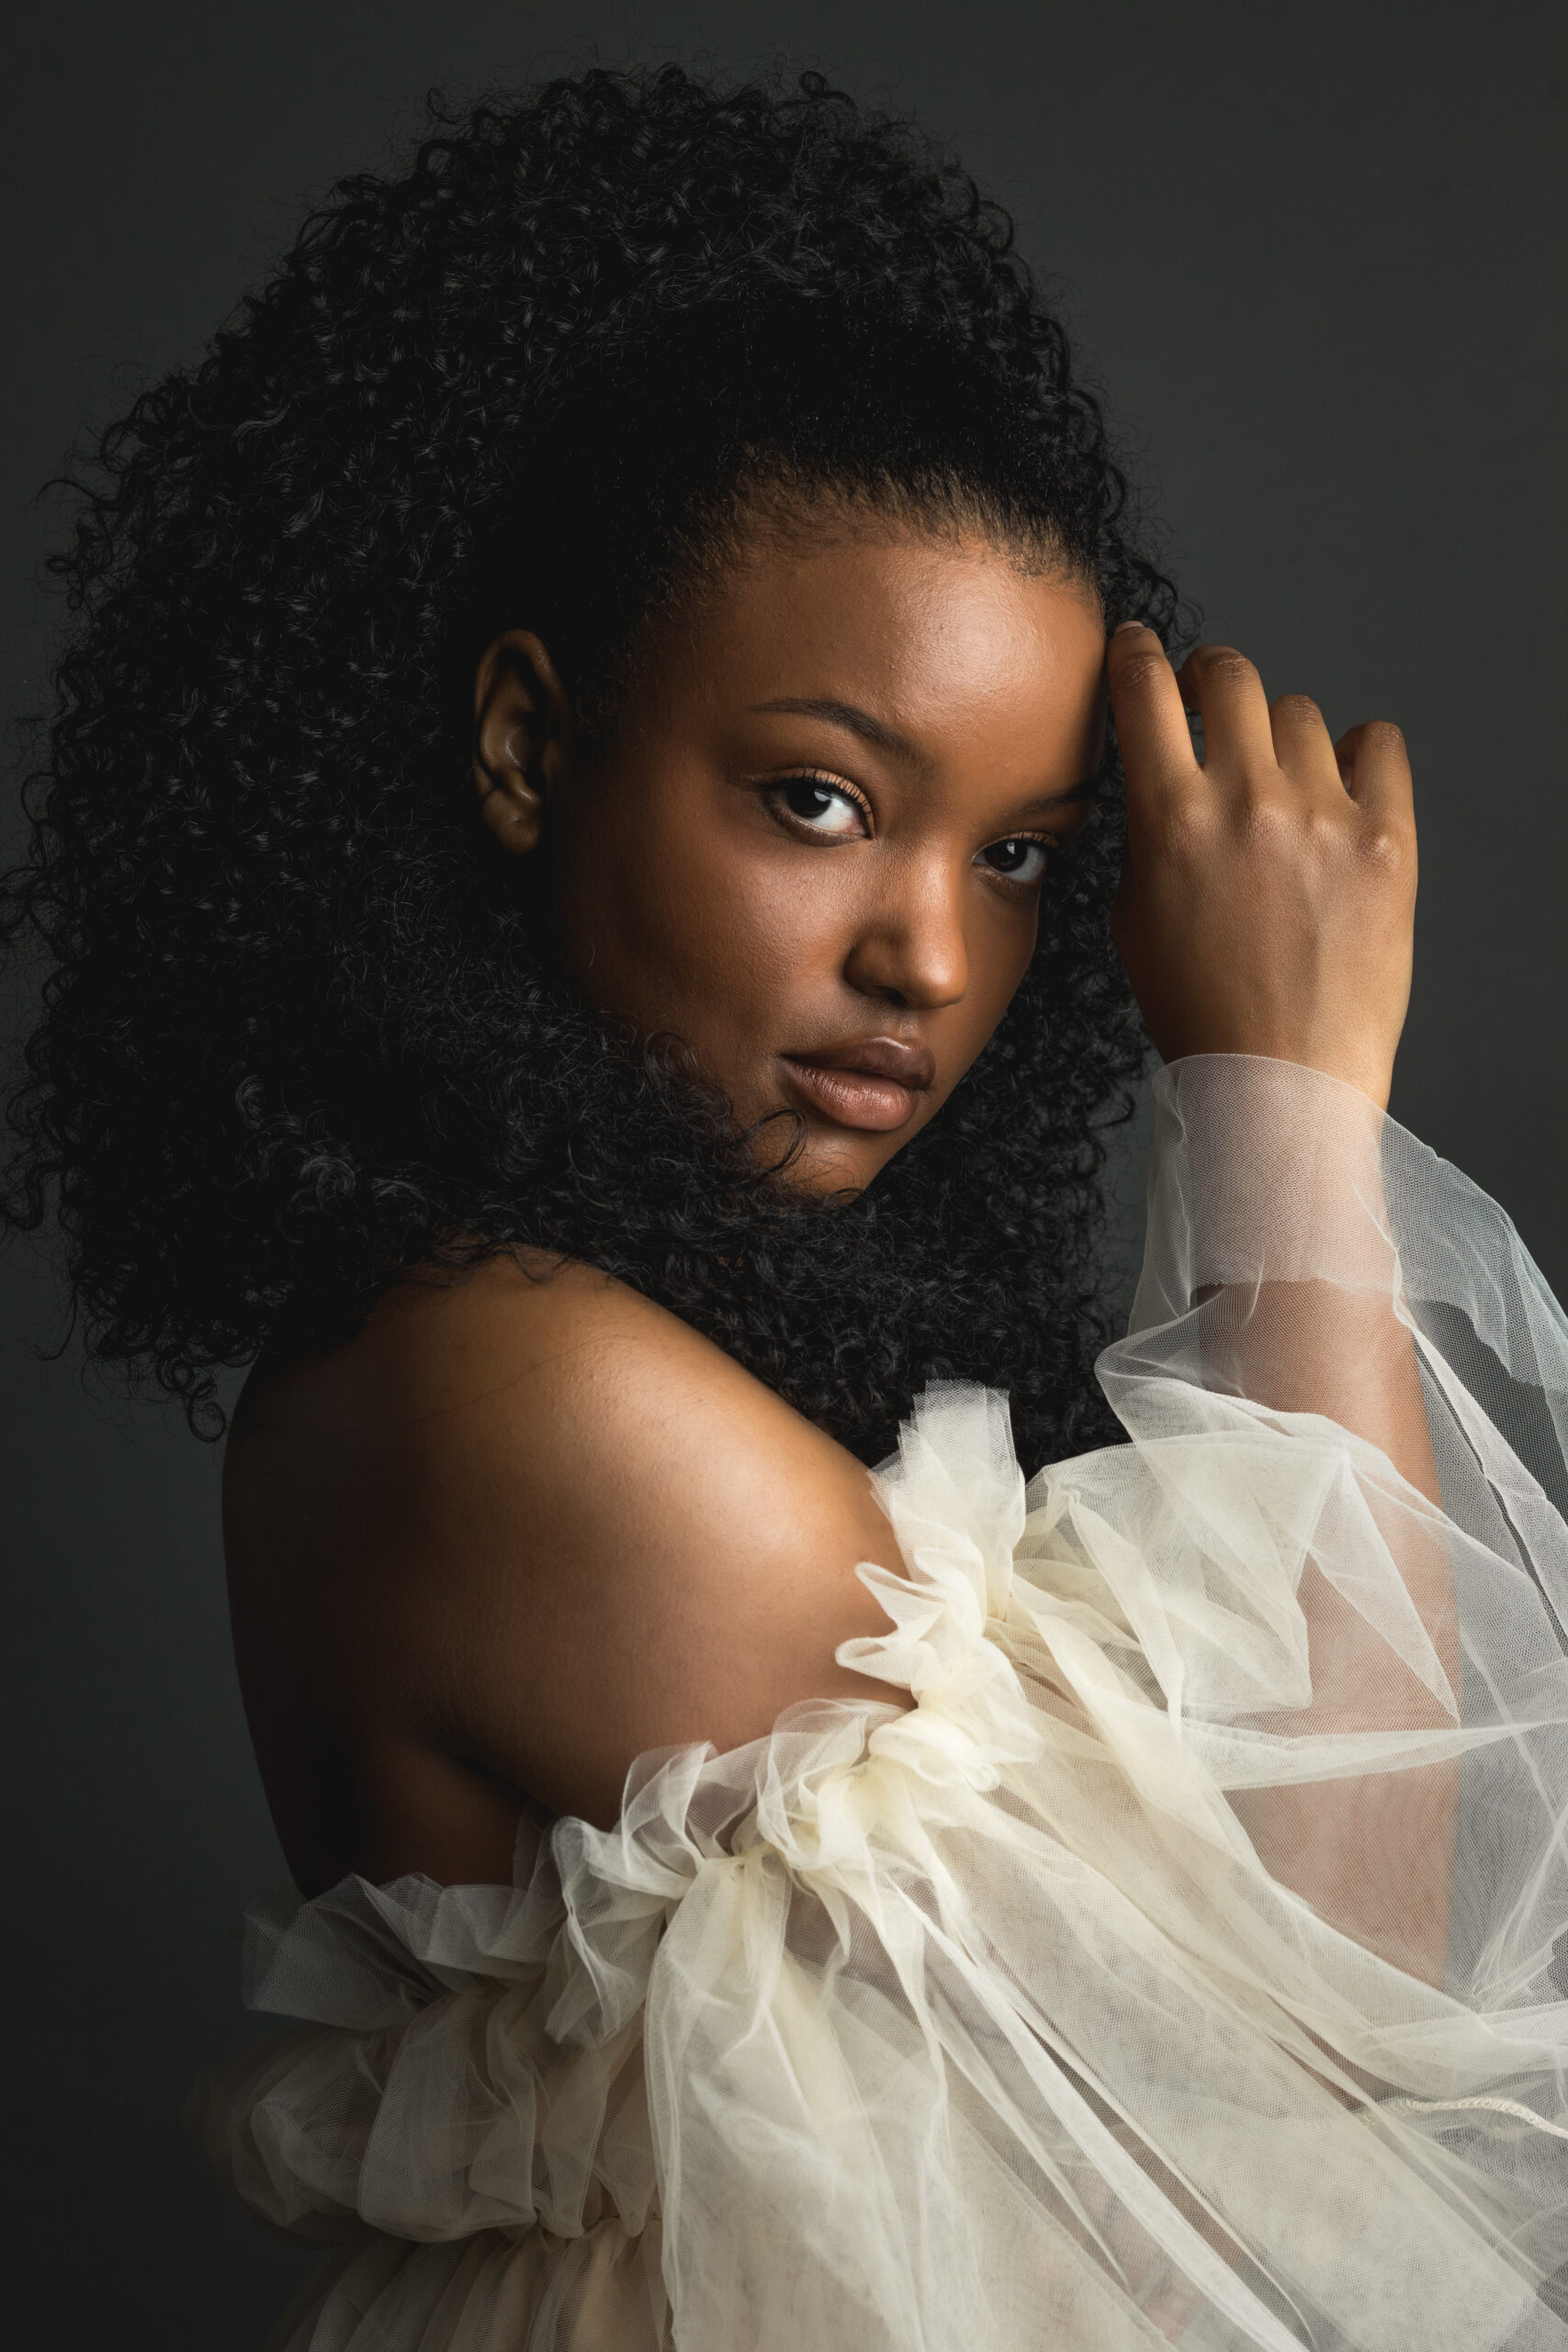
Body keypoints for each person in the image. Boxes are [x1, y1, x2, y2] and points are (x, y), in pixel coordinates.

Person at [5, 60, 1566, 2352]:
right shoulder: (516, 1389)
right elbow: (1321, 2007)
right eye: (820, 797)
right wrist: (1289, 1095)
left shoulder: (541, 1331)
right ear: (531, 747)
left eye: (1018, 853)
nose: (932, 956)